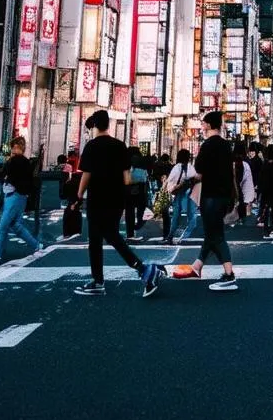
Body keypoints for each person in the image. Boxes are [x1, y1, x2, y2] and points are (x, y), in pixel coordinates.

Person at [71, 110, 164, 298]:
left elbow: (86, 175)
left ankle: (139, 271)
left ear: (95, 126)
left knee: (97, 240)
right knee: (111, 236)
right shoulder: (120, 146)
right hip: (117, 198)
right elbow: (127, 178)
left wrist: (78, 196)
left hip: (97, 198)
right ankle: (133, 272)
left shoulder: (91, 146)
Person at [188, 110, 238, 290]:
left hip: (210, 195)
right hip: (224, 195)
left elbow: (199, 172)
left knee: (216, 236)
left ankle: (229, 274)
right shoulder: (226, 145)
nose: (202, 126)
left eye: (203, 124)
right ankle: (197, 266)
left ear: (209, 125)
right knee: (212, 233)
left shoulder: (207, 145)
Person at [0, 137, 44, 266]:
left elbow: (0, 174)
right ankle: (36, 245)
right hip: (19, 195)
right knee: (15, 225)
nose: (13, 149)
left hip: (13, 194)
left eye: (14, 147)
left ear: (17, 147)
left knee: (3, 226)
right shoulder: (26, 162)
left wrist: (4, 173)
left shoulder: (14, 160)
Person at [164, 148, 198, 245]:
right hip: (190, 194)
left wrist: (173, 186)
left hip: (179, 194)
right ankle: (183, 237)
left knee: (176, 217)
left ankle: (170, 236)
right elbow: (195, 178)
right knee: (192, 217)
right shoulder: (190, 167)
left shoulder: (177, 167)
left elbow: (169, 181)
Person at [125, 147, 149, 241]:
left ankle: (130, 233)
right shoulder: (142, 160)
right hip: (140, 188)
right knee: (141, 208)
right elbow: (145, 175)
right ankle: (138, 223)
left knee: (129, 211)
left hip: (128, 188)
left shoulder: (126, 160)